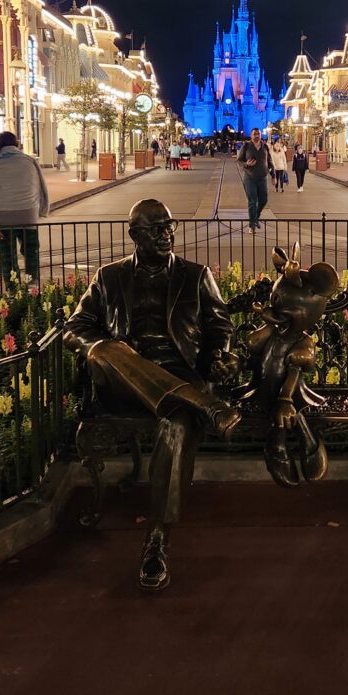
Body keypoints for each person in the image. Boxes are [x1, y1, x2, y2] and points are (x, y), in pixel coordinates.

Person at [64, 198, 239, 591]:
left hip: (179, 377)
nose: (167, 234)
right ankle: (207, 407)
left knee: (175, 426)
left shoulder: (196, 276)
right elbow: (75, 328)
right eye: (156, 228)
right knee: (111, 349)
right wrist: (95, 349)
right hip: (122, 382)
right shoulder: (108, 277)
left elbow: (221, 329)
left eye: (169, 225)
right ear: (134, 235)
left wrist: (223, 357)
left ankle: (157, 537)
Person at [0, 130, 50, 287]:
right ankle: (32, 284)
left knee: (7, 254)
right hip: (28, 215)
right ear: (16, 144)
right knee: (31, 250)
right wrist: (42, 210)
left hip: (2, 217)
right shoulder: (29, 161)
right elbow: (42, 186)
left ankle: (12, 287)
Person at [238, 127, 270, 233]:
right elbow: (239, 161)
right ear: (251, 135)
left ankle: (256, 217)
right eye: (254, 134)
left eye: (258, 134)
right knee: (252, 201)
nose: (256, 135)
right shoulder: (246, 146)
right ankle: (252, 225)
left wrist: (273, 175)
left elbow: (269, 161)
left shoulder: (265, 146)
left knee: (264, 200)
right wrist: (246, 164)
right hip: (249, 178)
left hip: (262, 178)